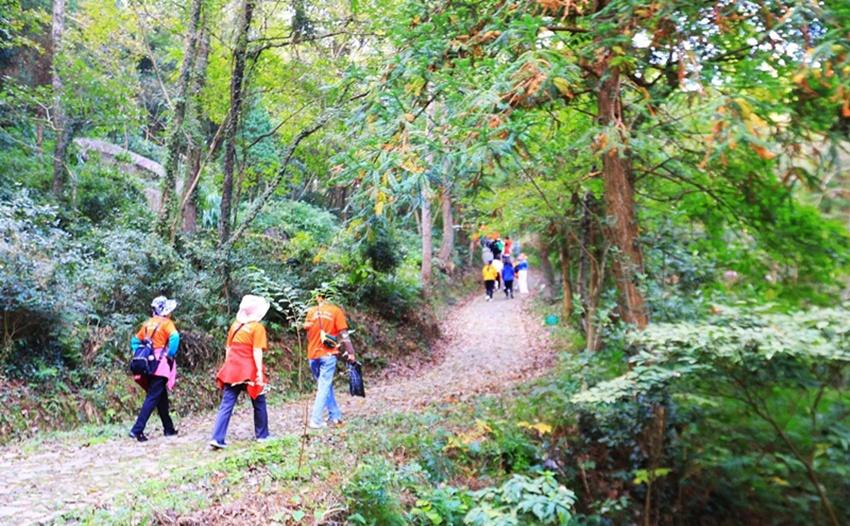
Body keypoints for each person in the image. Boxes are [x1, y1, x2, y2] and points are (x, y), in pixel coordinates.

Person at [209, 295, 271, 449]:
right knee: (259, 400)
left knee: (227, 404)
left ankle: (217, 438)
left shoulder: (235, 326)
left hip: (233, 369)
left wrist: (228, 366)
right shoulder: (257, 328)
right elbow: (257, 351)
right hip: (249, 369)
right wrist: (258, 372)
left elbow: (228, 349)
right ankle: (262, 435)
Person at [129, 296, 180, 442]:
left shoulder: (147, 324)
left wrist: (140, 352)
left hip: (147, 364)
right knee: (152, 398)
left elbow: (135, 341)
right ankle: (137, 430)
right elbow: (175, 337)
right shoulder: (167, 323)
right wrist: (170, 354)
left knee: (160, 396)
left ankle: (168, 428)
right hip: (160, 364)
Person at [304, 293, 356, 429]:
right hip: (327, 355)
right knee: (324, 386)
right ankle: (316, 420)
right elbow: (344, 334)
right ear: (330, 298)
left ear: (317, 298)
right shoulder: (335, 311)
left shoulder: (311, 312)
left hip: (312, 355)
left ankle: (335, 415)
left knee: (326, 385)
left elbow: (307, 333)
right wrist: (350, 352)